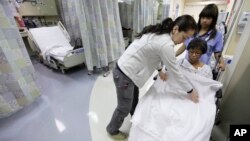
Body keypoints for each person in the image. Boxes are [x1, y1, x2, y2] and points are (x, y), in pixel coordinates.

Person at [106, 14, 198, 140]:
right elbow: (175, 72)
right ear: (176, 29)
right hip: (125, 74)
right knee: (124, 107)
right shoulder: (166, 44)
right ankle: (112, 130)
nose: (183, 41)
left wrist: (160, 70)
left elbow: (154, 55)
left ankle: (136, 120)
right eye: (184, 37)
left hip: (128, 72)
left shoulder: (160, 33)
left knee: (134, 100)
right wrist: (190, 91)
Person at [128, 38, 222, 141]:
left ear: (202, 54)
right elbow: (169, 78)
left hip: (193, 97)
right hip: (175, 91)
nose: (194, 55)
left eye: (197, 53)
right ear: (188, 50)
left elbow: (205, 88)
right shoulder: (178, 63)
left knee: (192, 119)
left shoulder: (206, 70)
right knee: (158, 108)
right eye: (191, 52)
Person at [176, 4, 225, 74]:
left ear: (213, 20)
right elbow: (184, 46)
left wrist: (221, 63)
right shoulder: (192, 30)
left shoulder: (217, 35)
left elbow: (217, 53)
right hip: (187, 66)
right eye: (203, 17)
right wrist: (173, 55)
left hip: (201, 70)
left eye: (208, 18)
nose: (204, 20)